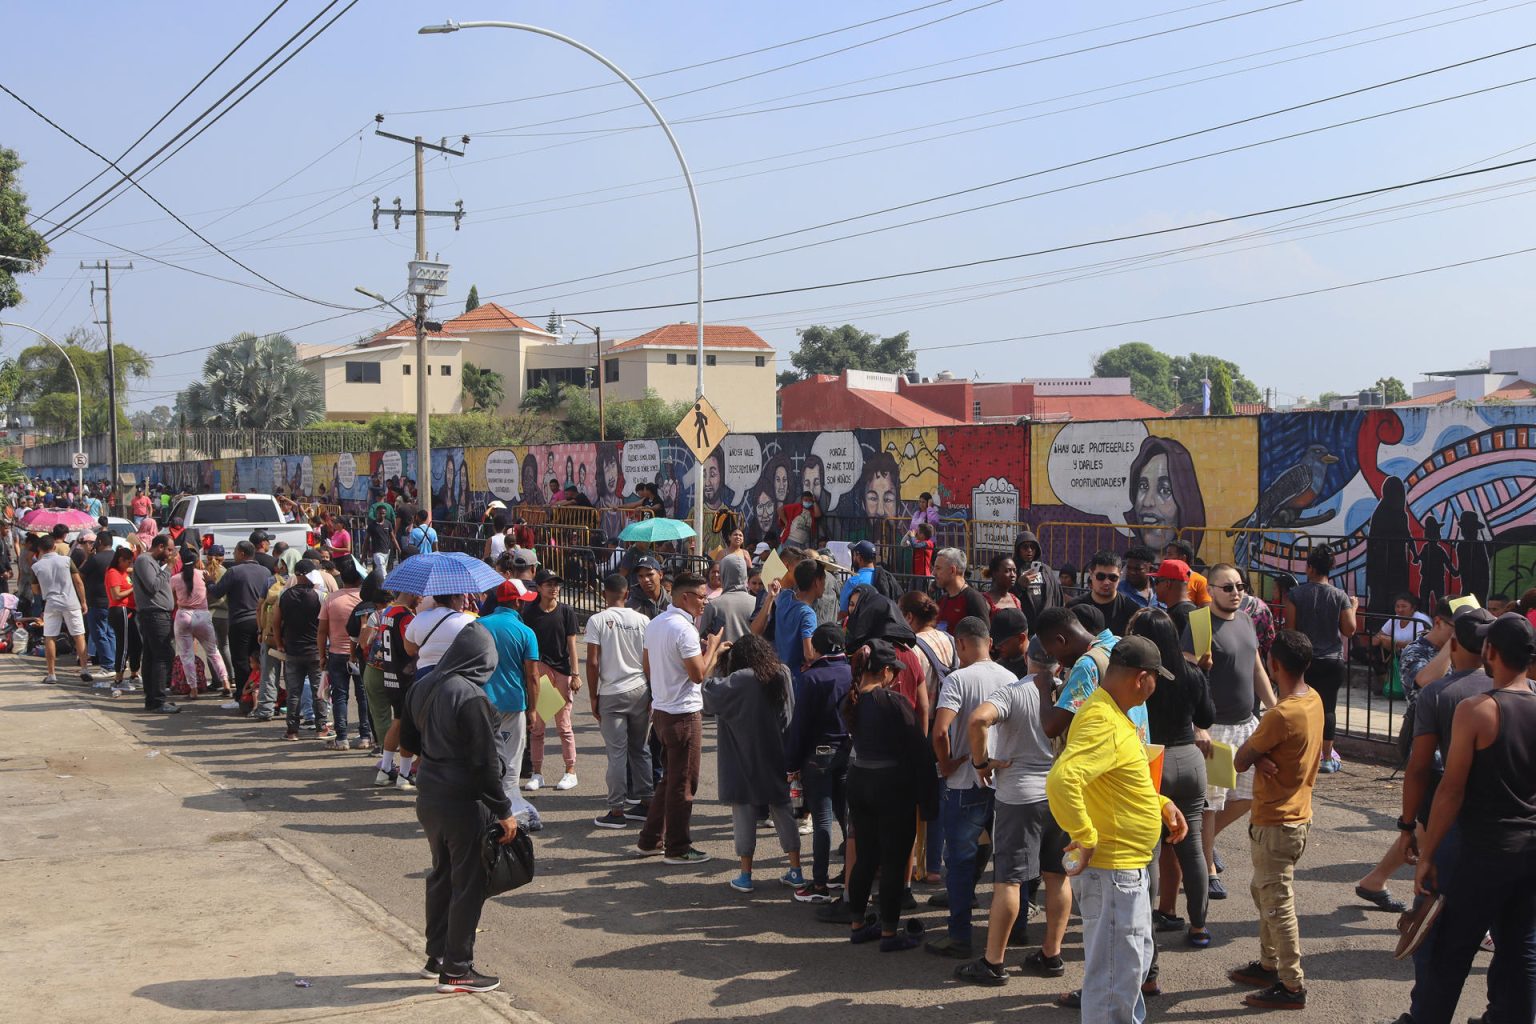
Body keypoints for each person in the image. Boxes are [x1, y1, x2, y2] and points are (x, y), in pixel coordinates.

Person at [1046, 635, 1188, 1024]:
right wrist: (1085, 836)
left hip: (1125, 869)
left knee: (1131, 964)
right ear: (1142, 678)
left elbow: (1117, 779)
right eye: (1156, 679)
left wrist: (1160, 805)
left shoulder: (1112, 714)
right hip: (1112, 869)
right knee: (1114, 976)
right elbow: (1062, 780)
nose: (1156, 687)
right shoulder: (1103, 719)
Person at [1403, 612, 1536, 1024]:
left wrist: (1427, 854)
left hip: (1481, 852)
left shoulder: (1477, 711)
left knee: (1450, 950)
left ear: (1490, 652)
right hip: (1529, 851)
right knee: (1522, 949)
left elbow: (1451, 790)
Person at [398, 623, 516, 995]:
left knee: (442, 873)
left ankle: (437, 956)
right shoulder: (471, 696)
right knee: (468, 883)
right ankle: (457, 969)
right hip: (465, 799)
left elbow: (407, 740)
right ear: (483, 659)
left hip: (430, 793)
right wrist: (504, 810)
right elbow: (483, 763)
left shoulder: (424, 684)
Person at [954, 607, 1056, 986]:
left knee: (1009, 881)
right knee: (1057, 876)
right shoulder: (1071, 693)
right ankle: (1051, 953)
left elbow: (979, 718)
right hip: (1059, 793)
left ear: (1029, 655)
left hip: (1019, 795)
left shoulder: (1015, 690)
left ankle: (994, 961)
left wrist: (982, 762)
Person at [1229, 629, 1323, 1011]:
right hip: (1296, 816)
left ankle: (1291, 984)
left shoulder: (1280, 714)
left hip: (1276, 822)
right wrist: (1264, 757)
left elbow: (1239, 758)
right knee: (1263, 892)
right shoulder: (1312, 699)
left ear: (1274, 665)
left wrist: (1255, 756)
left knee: (1278, 904)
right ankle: (1270, 964)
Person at [1184, 563, 1277, 900]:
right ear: (1211, 589)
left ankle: (1200, 843)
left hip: (1245, 725)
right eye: (1228, 587)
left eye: (1240, 586)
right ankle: (1206, 868)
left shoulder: (1246, 619)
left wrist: (1274, 707)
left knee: (1249, 795)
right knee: (1210, 803)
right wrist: (1198, 725)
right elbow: (1189, 677)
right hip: (1214, 729)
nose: (1236, 592)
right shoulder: (1198, 623)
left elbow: (1256, 667)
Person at [928, 615, 1015, 959]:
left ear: (961, 644)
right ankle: (1013, 928)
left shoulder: (957, 680)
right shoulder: (1011, 678)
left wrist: (946, 763)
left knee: (960, 861)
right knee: (1004, 860)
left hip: (964, 781)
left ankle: (959, 935)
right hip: (1001, 781)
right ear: (989, 642)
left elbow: (939, 732)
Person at [842, 638, 936, 952]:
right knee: (895, 860)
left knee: (866, 856)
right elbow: (919, 750)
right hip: (893, 785)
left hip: (859, 780)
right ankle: (888, 932)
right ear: (884, 670)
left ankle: (857, 923)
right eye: (892, 671)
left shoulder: (851, 700)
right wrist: (929, 799)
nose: (894, 677)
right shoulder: (893, 702)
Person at [1131, 607, 1215, 947]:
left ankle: (1146, 924)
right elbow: (1207, 717)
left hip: (1154, 760)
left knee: (1149, 848)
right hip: (1190, 760)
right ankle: (1199, 926)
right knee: (1192, 847)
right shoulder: (1192, 672)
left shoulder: (1140, 676)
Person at [704, 634, 804, 893]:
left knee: (744, 814)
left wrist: (715, 656)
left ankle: (745, 875)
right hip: (775, 754)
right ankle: (796, 870)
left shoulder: (738, 680)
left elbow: (708, 694)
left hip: (741, 758)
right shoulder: (780, 673)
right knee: (783, 811)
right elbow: (789, 714)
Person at [638, 572, 724, 864]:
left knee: (671, 780)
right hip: (683, 713)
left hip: (662, 710)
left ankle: (651, 839)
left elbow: (648, 667)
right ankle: (677, 846)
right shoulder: (683, 629)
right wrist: (713, 648)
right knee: (684, 782)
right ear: (684, 598)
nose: (704, 603)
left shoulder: (657, 623)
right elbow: (698, 675)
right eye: (701, 597)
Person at [785, 623, 852, 904]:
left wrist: (791, 764)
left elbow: (799, 725)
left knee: (822, 818)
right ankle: (851, 874)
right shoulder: (852, 672)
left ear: (819, 647)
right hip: (847, 750)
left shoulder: (812, 677)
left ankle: (820, 882)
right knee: (845, 815)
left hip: (818, 753)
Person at [585, 574, 654, 830]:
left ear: (604, 594)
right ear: (627, 594)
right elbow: (649, 660)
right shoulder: (643, 620)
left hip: (611, 692)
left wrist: (593, 696)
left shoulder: (597, 620)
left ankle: (616, 810)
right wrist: (652, 692)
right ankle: (647, 802)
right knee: (640, 748)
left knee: (616, 753)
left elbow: (592, 662)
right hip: (639, 688)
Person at [1283, 545, 1358, 774]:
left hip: (1306, 659)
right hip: (1332, 660)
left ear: (1311, 568)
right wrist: (1353, 608)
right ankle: (1326, 758)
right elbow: (1349, 629)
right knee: (1328, 709)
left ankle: (1301, 753)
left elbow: (1291, 629)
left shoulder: (1296, 594)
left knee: (1301, 707)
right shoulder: (1339, 596)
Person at [477, 578, 544, 830]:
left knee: (486, 755)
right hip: (513, 701)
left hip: (481, 700)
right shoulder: (526, 632)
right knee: (512, 758)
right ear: (517, 602)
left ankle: (485, 809)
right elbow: (532, 675)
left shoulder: (478, 625)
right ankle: (511, 811)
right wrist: (534, 709)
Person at [522, 568, 581, 792]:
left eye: (556, 584)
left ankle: (570, 770)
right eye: (549, 584)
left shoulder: (566, 612)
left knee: (564, 725)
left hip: (562, 672)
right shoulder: (529, 613)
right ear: (539, 587)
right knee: (537, 727)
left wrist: (575, 674)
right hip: (539, 672)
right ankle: (537, 772)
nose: (554, 588)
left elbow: (572, 644)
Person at [208, 540, 273, 708]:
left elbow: (216, 593)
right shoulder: (265, 572)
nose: (234, 555)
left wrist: (209, 581)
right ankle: (262, 697)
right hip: (261, 622)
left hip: (240, 622)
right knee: (259, 660)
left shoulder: (234, 572)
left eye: (235, 552)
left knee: (241, 661)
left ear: (242, 553)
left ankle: (242, 698)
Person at [274, 560, 329, 742]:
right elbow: (324, 625)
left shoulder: (284, 595)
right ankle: (321, 729)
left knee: (293, 691)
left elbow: (276, 621)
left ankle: (292, 731)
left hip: (292, 650)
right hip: (315, 650)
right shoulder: (320, 596)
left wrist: (279, 643)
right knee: (318, 691)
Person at [171, 545, 232, 700]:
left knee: (187, 655)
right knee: (213, 652)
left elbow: (173, 602)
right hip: (203, 616)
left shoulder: (175, 579)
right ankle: (225, 683)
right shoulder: (204, 574)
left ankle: (193, 689)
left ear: (181, 561)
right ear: (198, 560)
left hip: (183, 615)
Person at [33, 535, 93, 686]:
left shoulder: (37, 566)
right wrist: (84, 601)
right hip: (71, 602)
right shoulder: (66, 561)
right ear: (54, 546)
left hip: (51, 603)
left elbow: (35, 590)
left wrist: (46, 590)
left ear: (40, 549)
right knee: (79, 635)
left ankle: (51, 674)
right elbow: (78, 582)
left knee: (50, 637)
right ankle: (85, 669)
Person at [318, 558, 366, 749]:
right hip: (361, 654)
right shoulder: (365, 599)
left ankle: (342, 738)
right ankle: (365, 736)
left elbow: (322, 630)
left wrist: (322, 656)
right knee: (363, 696)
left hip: (336, 653)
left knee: (339, 696)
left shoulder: (331, 599)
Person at [1069, 550, 1140, 637]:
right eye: (1101, 576)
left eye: (1112, 577)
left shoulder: (1131, 610)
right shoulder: (1074, 607)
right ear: (1091, 575)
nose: (1106, 582)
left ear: (1120, 576)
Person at [404, 593, 474, 680]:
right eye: (462, 596)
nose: (464, 600)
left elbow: (409, 650)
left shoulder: (419, 618)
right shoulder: (469, 620)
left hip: (425, 675)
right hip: (457, 675)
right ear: (453, 598)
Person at [78, 533, 115, 683]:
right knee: (111, 632)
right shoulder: (116, 556)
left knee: (99, 632)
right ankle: (115, 663)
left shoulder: (94, 558)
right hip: (113, 601)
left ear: (99, 542)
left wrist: (88, 556)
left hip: (97, 602)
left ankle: (108, 664)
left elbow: (79, 574)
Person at [104, 546, 141, 696]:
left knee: (136, 642)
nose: (129, 565)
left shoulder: (123, 571)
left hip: (130, 610)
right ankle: (119, 677)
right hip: (121, 610)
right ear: (120, 560)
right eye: (128, 562)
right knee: (123, 644)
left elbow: (135, 569)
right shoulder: (113, 573)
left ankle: (134, 672)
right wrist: (133, 588)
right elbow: (116, 595)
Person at [700, 554, 756, 644]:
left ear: (723, 573)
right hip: (752, 657)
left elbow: (704, 642)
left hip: (722, 657)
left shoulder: (713, 605)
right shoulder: (757, 603)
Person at [1010, 531, 1062, 624]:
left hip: (1046, 624)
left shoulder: (1046, 570)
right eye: (1025, 547)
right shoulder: (1012, 570)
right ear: (1018, 549)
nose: (1029, 550)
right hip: (1022, 624)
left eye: (1032, 547)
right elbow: (1003, 595)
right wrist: (1019, 585)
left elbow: (1057, 596)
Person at [934, 548, 990, 632]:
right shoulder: (942, 600)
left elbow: (983, 637)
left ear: (952, 570)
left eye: (938, 568)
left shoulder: (973, 599)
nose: (933, 573)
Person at [1150, 558, 1197, 637]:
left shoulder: (1180, 615)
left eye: (1157, 581)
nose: (1155, 586)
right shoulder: (1191, 611)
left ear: (1167, 584)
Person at [837, 540, 880, 615]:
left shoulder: (853, 581)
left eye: (854, 555)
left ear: (859, 558)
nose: (853, 558)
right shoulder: (882, 577)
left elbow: (843, 612)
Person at [1119, 545, 1159, 609]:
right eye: (1129, 568)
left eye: (1137, 569)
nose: (1132, 572)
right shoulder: (1119, 591)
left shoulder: (1161, 588)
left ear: (1151, 569)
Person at [367, 504, 398, 576]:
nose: (382, 515)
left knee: (379, 570)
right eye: (380, 513)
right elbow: (366, 540)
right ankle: (385, 585)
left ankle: (377, 584)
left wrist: (399, 550)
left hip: (387, 551)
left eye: (383, 513)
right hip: (377, 552)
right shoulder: (372, 525)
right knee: (382, 568)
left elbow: (393, 538)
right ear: (376, 513)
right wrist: (365, 554)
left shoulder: (388, 524)